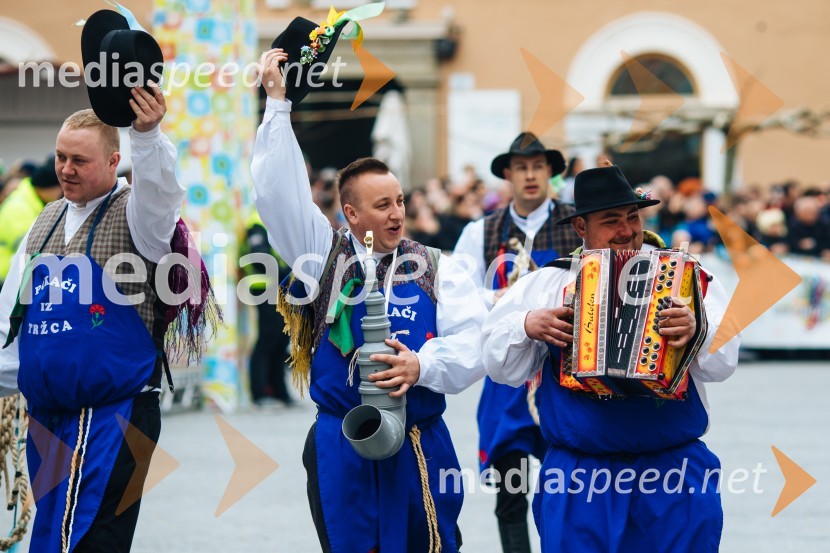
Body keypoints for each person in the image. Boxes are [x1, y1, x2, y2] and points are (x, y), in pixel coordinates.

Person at [252, 41, 487, 552]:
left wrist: (421, 367)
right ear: (351, 214)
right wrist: (277, 105)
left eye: (400, 200)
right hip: (341, 441)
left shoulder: (436, 265)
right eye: (383, 205)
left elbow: (475, 343)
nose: (398, 214)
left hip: (419, 442)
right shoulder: (322, 255)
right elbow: (278, 195)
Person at [0, 9, 194, 550]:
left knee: (93, 541)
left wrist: (149, 135)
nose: (64, 169)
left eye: (79, 160)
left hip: (121, 416)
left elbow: (162, 194)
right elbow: (9, 326)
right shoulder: (40, 225)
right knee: (52, 537)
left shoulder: (138, 217)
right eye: (60, 157)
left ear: (113, 163)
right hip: (49, 419)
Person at [481, 165, 741, 552]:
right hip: (582, 475)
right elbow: (498, 366)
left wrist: (696, 332)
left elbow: (724, 363)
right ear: (581, 228)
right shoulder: (548, 284)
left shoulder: (689, 278)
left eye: (632, 217)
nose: (626, 230)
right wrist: (525, 324)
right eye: (611, 221)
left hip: (673, 470)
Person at [453, 132, 581, 553]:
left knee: (567, 487)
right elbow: (456, 296)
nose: (530, 175)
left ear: (550, 173)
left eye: (538, 166)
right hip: (506, 378)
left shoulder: (577, 223)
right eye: (522, 167)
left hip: (566, 375)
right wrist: (499, 300)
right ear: (507, 174)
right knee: (511, 494)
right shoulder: (481, 232)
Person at [242, 210, 294, 406]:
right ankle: (260, 393)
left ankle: (279, 391)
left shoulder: (276, 217)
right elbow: (259, 257)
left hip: (282, 288)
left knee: (281, 340)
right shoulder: (257, 220)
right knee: (267, 339)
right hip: (265, 287)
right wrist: (286, 273)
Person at [0, 157, 64, 290]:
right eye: (60, 189)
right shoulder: (20, 208)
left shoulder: (30, 202)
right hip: (6, 279)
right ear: (49, 188)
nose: (61, 195)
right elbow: (29, 252)